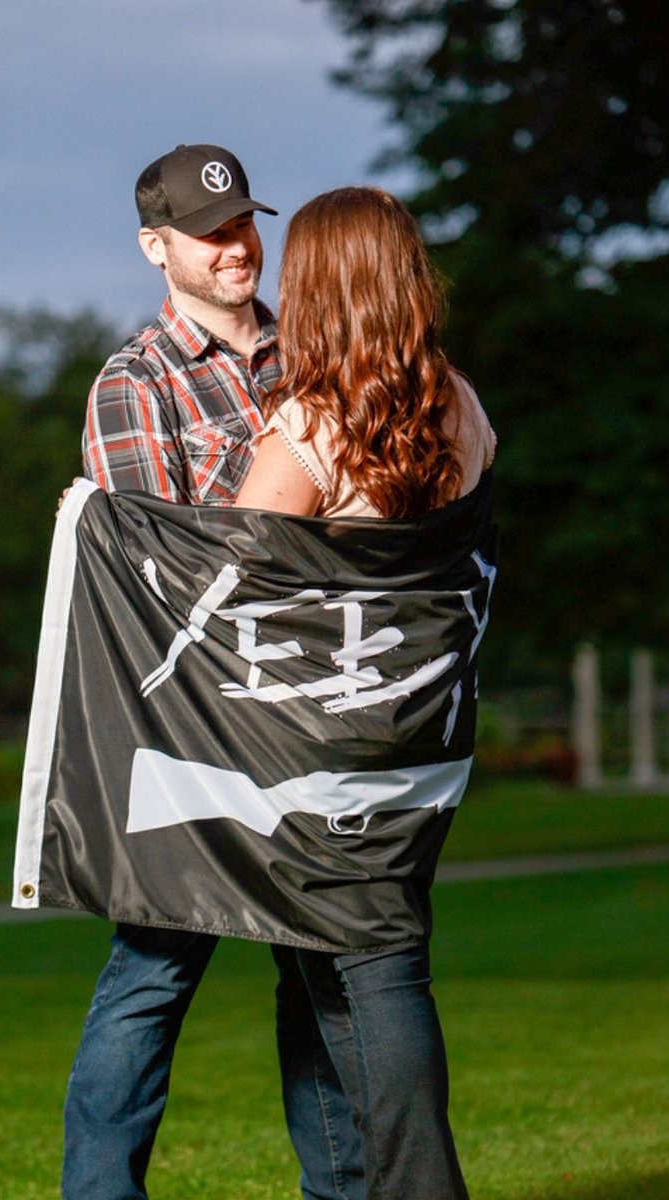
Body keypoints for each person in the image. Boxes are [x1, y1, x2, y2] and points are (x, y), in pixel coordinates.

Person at [64, 145, 364, 1200]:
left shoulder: (319, 358)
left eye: (242, 225)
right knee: (152, 972)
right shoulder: (134, 383)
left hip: (316, 714)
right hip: (194, 726)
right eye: (207, 233)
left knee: (325, 970)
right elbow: (160, 571)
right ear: (157, 248)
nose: (235, 248)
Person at [233, 186, 496, 1199]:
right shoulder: (462, 408)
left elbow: (229, 581)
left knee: (379, 968)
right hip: (423, 739)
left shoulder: (308, 428)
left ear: (319, 290)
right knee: (333, 967)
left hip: (324, 752)